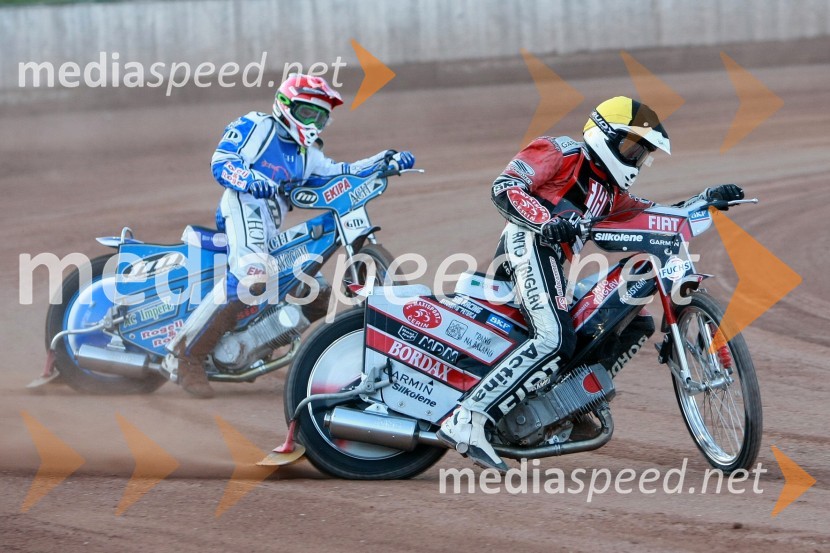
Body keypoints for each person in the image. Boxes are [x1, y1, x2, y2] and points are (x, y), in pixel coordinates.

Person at [436, 96, 744, 471]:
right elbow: (505, 186)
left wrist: (705, 200)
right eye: (632, 147)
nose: (636, 159)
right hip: (528, 242)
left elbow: (651, 215)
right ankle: (468, 419)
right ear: (605, 136)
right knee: (554, 338)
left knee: (636, 322)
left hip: (552, 259)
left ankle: (570, 405)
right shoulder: (561, 152)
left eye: (642, 152)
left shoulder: (612, 193)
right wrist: (546, 221)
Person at [164, 73, 415, 398]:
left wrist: (385, 160)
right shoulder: (260, 126)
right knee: (252, 276)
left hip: (269, 220)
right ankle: (187, 355)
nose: (314, 122)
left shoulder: (306, 153)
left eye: (320, 116)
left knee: (315, 295)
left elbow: (341, 172)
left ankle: (253, 344)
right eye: (308, 113)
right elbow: (222, 160)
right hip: (244, 204)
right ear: (285, 106)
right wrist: (247, 178)